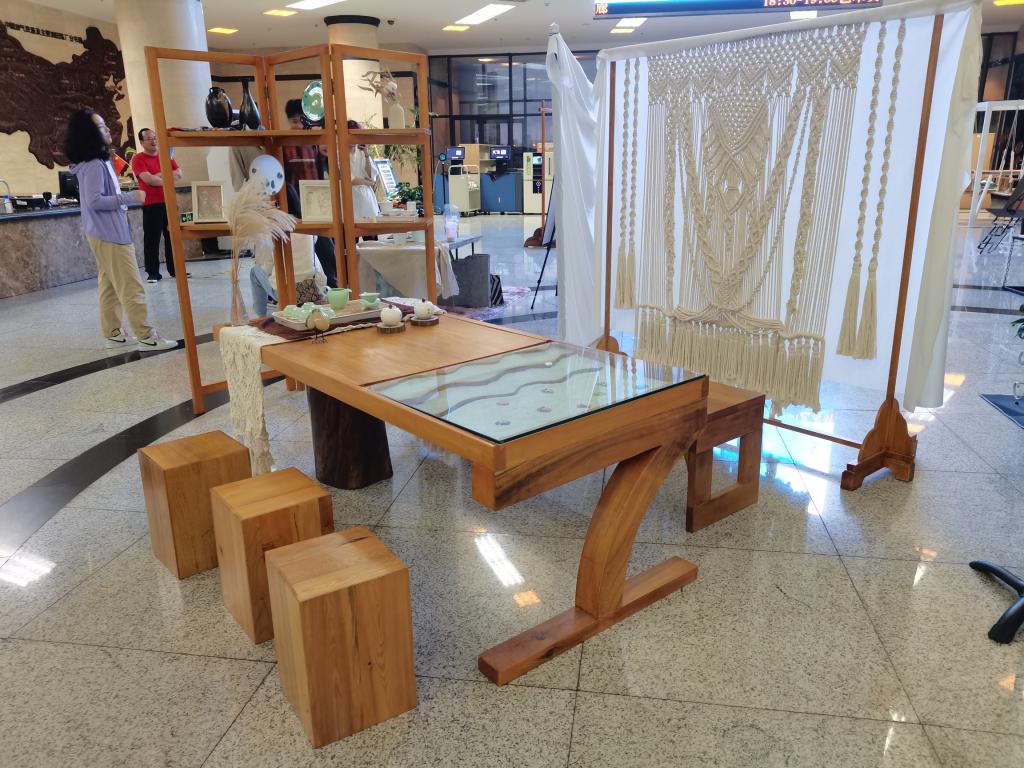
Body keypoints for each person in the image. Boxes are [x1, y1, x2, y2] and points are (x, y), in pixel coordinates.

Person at [64, 109, 176, 351]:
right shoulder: (94, 165)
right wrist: (130, 196)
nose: (107, 129)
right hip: (109, 232)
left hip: (104, 231)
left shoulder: (97, 162)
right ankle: (146, 335)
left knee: (110, 286)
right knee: (130, 285)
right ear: (89, 134)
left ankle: (112, 332)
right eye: (100, 127)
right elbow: (95, 201)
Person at [282, 98, 338, 288]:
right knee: (301, 259)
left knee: (328, 253)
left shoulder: (314, 143)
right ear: (288, 121)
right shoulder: (283, 145)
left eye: (302, 121)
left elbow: (325, 174)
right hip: (294, 212)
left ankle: (333, 289)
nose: (299, 126)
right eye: (294, 121)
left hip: (316, 208)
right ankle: (302, 294)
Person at [131, 128, 188, 283]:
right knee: (152, 239)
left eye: (155, 137)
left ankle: (176, 270)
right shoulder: (138, 159)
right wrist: (166, 176)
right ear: (141, 142)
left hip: (170, 202)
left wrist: (157, 176)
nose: (153, 140)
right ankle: (153, 273)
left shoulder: (165, 156)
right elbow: (148, 180)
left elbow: (179, 174)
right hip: (151, 204)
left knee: (173, 237)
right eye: (149, 138)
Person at [248, 233, 325, 317]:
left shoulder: (268, 231)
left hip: (286, 293)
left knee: (254, 271)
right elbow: (314, 241)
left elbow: (267, 268)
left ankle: (261, 317)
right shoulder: (307, 228)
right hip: (315, 288)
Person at [347, 119, 381, 220]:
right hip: (350, 195)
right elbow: (348, 179)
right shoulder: (339, 153)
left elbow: (371, 175)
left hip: (366, 196)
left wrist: (366, 154)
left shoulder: (361, 151)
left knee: (370, 227)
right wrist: (367, 182)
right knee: (351, 225)